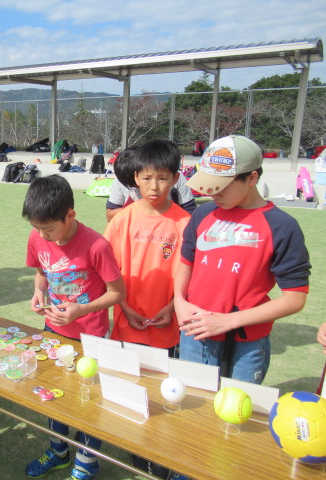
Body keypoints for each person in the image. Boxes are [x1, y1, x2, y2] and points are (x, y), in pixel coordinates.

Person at [175, 135, 311, 384]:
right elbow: (185, 265)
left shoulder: (282, 226)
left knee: (239, 407)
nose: (211, 192)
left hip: (248, 339)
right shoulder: (203, 213)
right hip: (196, 331)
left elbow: (295, 298)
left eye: (221, 185)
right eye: (208, 183)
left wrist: (228, 321)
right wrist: (179, 301)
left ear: (252, 178)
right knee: (194, 405)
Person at [22, 175, 126, 480]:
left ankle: (86, 462)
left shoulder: (96, 245)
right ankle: (58, 450)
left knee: (89, 402)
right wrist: (38, 292)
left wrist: (82, 309)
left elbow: (118, 293)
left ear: (70, 215)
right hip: (54, 331)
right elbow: (42, 272)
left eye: (49, 229)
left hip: (92, 337)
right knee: (51, 394)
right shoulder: (38, 237)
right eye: (37, 228)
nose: (43, 235)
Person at [103, 139, 191, 479]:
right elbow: (107, 271)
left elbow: (189, 275)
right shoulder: (122, 220)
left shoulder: (184, 222)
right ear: (135, 178)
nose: (155, 187)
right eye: (147, 177)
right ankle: (136, 449)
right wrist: (124, 306)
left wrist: (172, 306)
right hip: (127, 322)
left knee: (163, 391)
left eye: (164, 178)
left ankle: (158, 450)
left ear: (175, 179)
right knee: (130, 385)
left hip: (166, 325)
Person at [106, 146, 196, 222]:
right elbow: (110, 215)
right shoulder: (122, 178)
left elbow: (190, 214)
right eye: (132, 187)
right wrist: (140, 211)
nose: (153, 187)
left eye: (145, 179)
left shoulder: (174, 177)